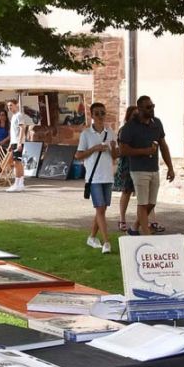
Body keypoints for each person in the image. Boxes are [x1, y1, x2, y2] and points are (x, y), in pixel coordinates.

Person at [117, 95, 175, 235]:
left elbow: (163, 146)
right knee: (142, 204)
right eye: (148, 107)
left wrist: (170, 167)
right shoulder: (130, 127)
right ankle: (147, 237)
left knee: (151, 203)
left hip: (154, 168)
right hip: (138, 170)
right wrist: (145, 151)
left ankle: (133, 229)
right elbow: (123, 150)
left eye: (153, 106)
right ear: (140, 108)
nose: (152, 109)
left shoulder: (157, 123)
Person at [75, 102, 117, 254]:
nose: (100, 116)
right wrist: (94, 148)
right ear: (92, 115)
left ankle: (92, 237)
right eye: (97, 113)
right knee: (100, 208)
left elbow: (115, 156)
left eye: (102, 113)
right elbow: (78, 155)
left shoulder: (110, 132)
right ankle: (106, 242)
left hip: (107, 176)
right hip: (94, 177)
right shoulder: (86, 134)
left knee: (102, 210)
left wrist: (113, 148)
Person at [5, 99, 34, 192]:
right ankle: (20, 183)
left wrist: (19, 142)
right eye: (8, 106)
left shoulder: (19, 115)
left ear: (16, 105)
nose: (9, 107)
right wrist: (11, 143)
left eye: (11, 105)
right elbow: (13, 132)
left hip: (18, 142)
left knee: (17, 162)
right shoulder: (13, 116)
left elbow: (22, 129)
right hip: (14, 142)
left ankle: (18, 183)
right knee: (17, 162)